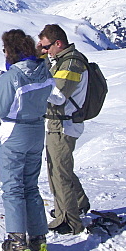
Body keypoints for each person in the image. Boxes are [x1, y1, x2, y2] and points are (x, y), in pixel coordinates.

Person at [0, 29, 65, 251]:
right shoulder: (42, 70)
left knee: (13, 187)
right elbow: (53, 94)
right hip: (35, 131)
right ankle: (39, 237)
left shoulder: (10, 77)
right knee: (31, 186)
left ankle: (17, 241)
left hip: (14, 133)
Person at [38, 24, 91, 235]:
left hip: (63, 124)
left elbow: (59, 96)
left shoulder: (70, 64)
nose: (45, 51)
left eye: (47, 46)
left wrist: (36, 85)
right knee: (60, 168)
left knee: (59, 172)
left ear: (58, 43)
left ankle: (70, 221)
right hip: (59, 123)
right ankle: (76, 204)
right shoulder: (63, 61)